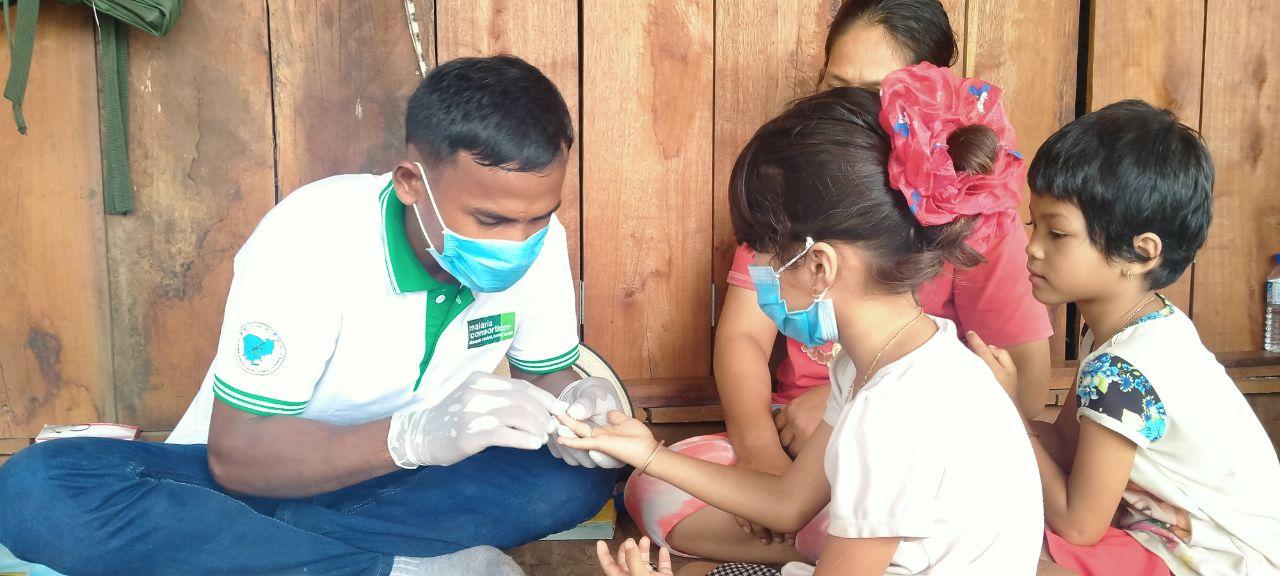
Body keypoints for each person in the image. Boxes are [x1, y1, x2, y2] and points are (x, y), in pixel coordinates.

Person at [0, 56, 626, 576]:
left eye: (538, 216)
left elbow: (548, 373)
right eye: (490, 221)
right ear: (412, 182)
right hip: (248, 476)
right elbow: (238, 458)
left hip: (396, 485)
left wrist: (580, 405)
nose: (517, 242)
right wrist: (411, 436)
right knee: (37, 493)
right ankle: (391, 569)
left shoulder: (541, 243)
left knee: (574, 480)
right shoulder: (311, 236)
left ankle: (263, 554)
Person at [627, 0, 1052, 561]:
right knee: (659, 488)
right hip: (818, 466)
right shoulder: (870, 363)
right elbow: (785, 498)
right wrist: (650, 453)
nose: (760, 270)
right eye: (837, 84)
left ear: (820, 266)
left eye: (876, 90)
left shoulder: (887, 412)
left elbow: (1020, 380)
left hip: (875, 477)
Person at [976, 99, 1280, 575]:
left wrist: (1009, 415)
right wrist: (993, 412)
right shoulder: (1140, 329)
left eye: (1057, 233)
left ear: (1140, 253)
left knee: (1003, 556)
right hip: (1180, 541)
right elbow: (1064, 446)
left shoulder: (1122, 369)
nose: (1031, 247)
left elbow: (1079, 525)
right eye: (1034, 225)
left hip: (1224, 561)